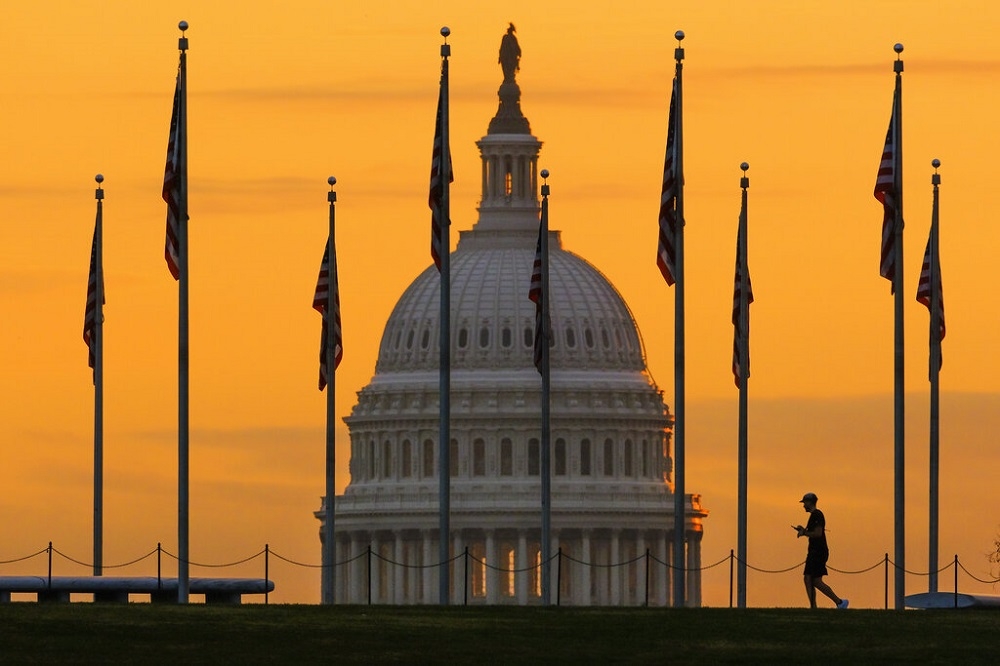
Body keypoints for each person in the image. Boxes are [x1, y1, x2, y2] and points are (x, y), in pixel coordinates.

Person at [792, 492, 848, 609]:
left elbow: (817, 533)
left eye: (805, 503)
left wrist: (804, 533)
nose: (803, 506)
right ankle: (835, 603)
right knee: (812, 580)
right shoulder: (814, 516)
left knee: (811, 579)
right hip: (815, 551)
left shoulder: (817, 515)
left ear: (809, 502)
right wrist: (803, 530)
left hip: (818, 552)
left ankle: (835, 603)